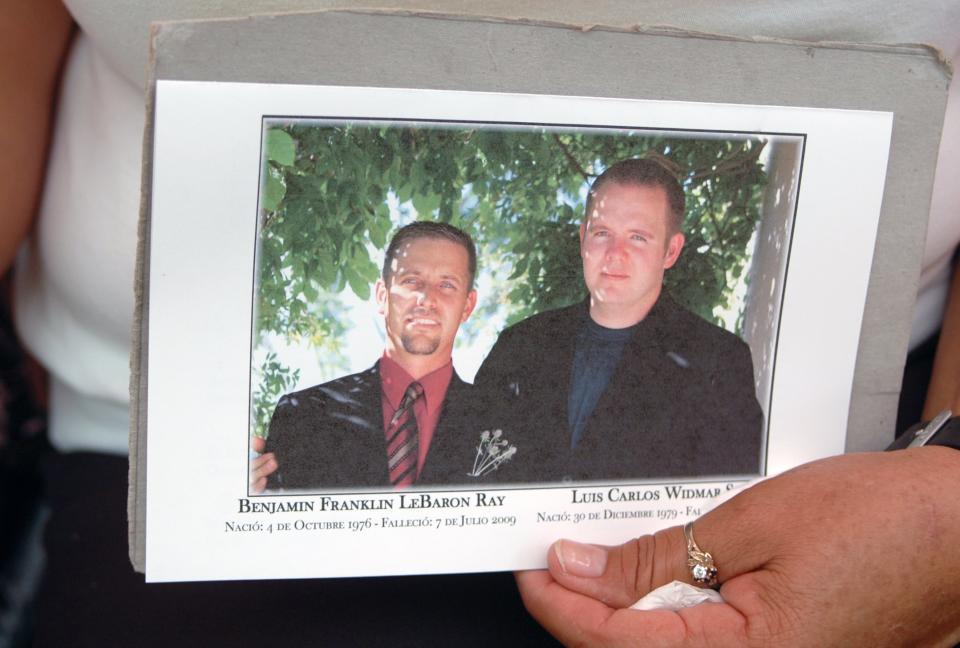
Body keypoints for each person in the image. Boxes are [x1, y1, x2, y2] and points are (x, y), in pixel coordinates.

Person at [474, 159, 763, 483]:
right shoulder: (521, 346)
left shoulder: (717, 361)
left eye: (637, 237)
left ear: (671, 251)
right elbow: (470, 475)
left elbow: (731, 509)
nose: (615, 253)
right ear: (583, 238)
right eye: (602, 233)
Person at [264, 221, 503, 491]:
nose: (426, 298)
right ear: (382, 295)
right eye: (411, 280)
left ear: (467, 306)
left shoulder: (506, 423)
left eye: (447, 285)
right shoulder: (304, 416)